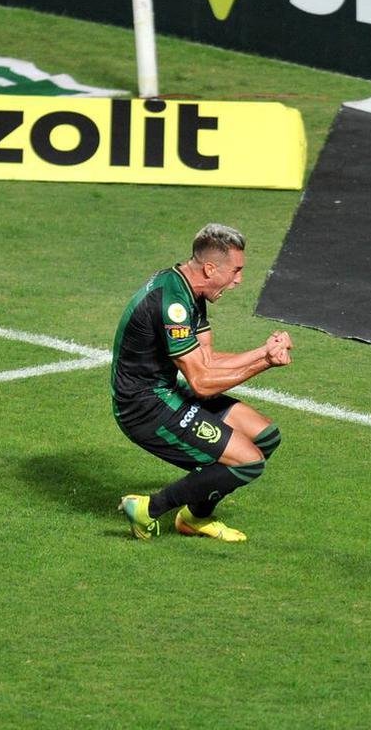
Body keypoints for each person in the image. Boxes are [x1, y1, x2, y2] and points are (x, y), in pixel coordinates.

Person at [111, 222, 292, 542]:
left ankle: (194, 518)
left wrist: (263, 351)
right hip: (143, 406)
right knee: (248, 462)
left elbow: (206, 360)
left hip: (165, 391)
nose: (239, 280)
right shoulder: (174, 304)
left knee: (265, 436)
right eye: (235, 270)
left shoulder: (190, 290)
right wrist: (265, 363)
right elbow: (203, 383)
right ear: (210, 268)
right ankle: (149, 509)